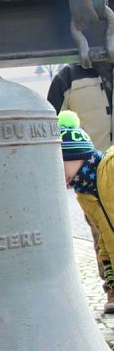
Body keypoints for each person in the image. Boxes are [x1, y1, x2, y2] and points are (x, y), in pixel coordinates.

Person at [59, 109, 114, 313]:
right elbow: (104, 241)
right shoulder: (85, 194)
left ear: (75, 157)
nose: (56, 172)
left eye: (59, 164)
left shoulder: (109, 170)